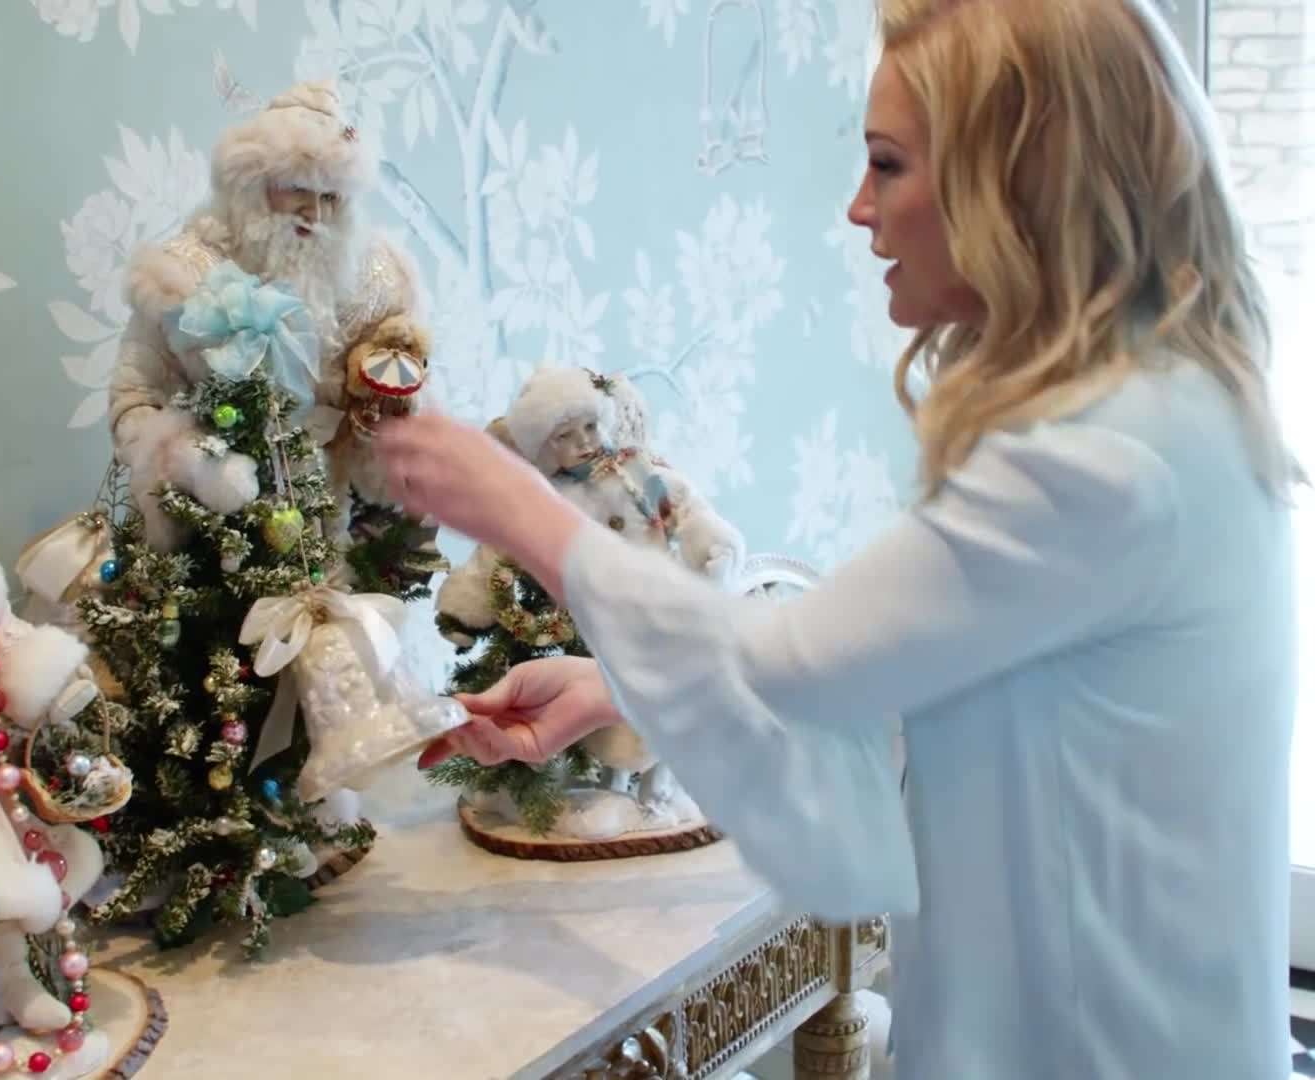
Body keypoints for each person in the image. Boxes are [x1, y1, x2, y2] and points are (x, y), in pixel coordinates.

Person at [376, 0, 1301, 1075]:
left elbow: (797, 666)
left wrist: (517, 506)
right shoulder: (1164, 404)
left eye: (889, 165)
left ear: (1018, 182)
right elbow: (928, 686)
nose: (860, 209)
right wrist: (621, 689)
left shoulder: (1104, 458)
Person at [108, 79, 431, 550]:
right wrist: (200, 467)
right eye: (298, 188)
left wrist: (386, 429)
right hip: (213, 544)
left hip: (342, 537)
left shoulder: (381, 282)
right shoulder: (182, 276)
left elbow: (403, 389)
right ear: (253, 185)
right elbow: (133, 401)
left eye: (332, 196)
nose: (314, 213)